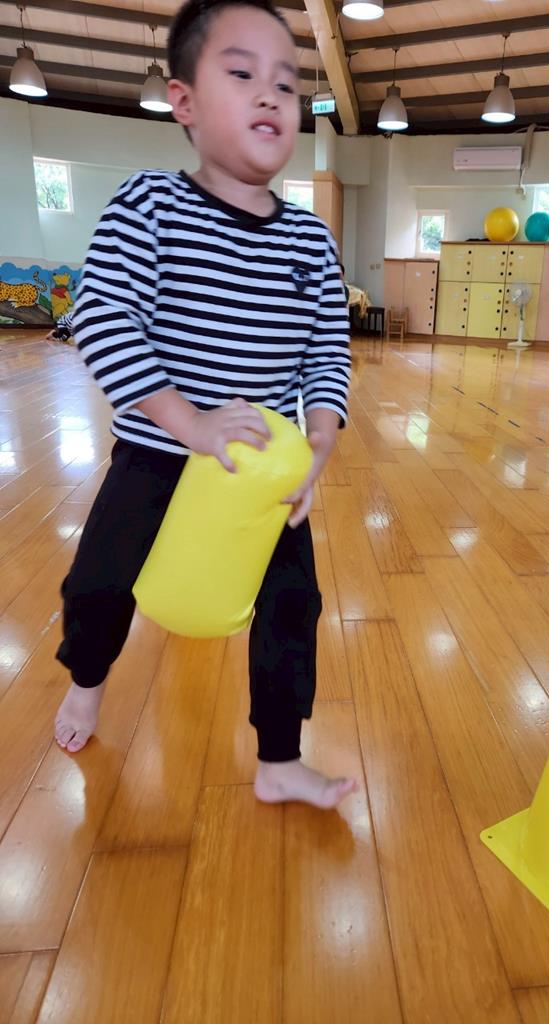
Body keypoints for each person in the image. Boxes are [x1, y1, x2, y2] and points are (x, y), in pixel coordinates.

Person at [54, 0, 357, 809]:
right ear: (183, 101)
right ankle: (86, 681)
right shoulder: (149, 205)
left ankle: (280, 757)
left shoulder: (310, 242)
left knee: (292, 602)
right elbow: (102, 317)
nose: (269, 95)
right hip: (159, 450)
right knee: (99, 582)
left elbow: (328, 352)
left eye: (286, 84)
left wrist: (321, 441)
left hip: (258, 470)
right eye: (242, 73)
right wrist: (187, 421)